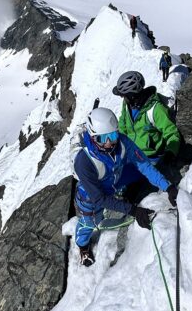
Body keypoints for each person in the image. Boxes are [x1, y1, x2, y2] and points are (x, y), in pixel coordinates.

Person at [73, 107, 177, 266]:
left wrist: (168, 187)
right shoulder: (84, 161)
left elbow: (144, 165)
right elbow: (99, 198)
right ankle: (82, 246)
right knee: (89, 223)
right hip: (91, 197)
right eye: (102, 139)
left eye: (112, 136)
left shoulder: (122, 142)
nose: (109, 143)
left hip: (115, 179)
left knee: (144, 170)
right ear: (92, 137)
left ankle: (128, 194)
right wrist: (133, 210)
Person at [113, 71, 181, 165]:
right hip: (130, 153)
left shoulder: (156, 109)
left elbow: (171, 133)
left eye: (123, 95)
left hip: (150, 158)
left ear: (132, 95)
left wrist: (171, 152)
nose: (122, 97)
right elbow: (122, 124)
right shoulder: (127, 105)